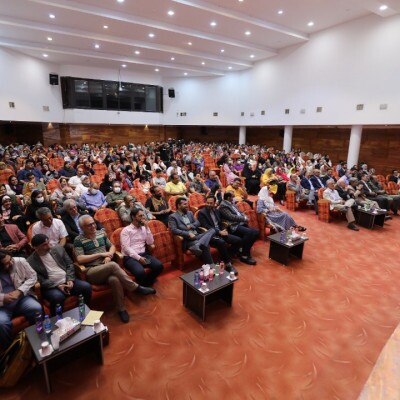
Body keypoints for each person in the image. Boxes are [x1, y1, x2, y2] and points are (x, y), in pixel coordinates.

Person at [74, 215, 155, 323]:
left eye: (93, 223)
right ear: (82, 227)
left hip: (107, 267)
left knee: (114, 280)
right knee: (113, 265)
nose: (93, 226)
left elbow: (112, 247)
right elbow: (80, 259)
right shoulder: (78, 240)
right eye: (89, 225)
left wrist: (109, 255)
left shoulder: (100, 233)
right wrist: (100, 254)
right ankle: (136, 288)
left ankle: (121, 309)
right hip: (92, 271)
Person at [27, 234, 92, 316]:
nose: (49, 246)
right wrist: (57, 285)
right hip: (51, 287)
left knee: (86, 287)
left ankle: (82, 312)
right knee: (58, 297)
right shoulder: (30, 262)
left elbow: (69, 264)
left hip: (67, 280)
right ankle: (57, 319)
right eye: (44, 245)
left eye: (48, 243)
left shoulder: (58, 249)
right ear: (35, 248)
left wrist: (70, 279)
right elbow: (39, 279)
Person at [0, 250, 42, 349]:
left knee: (36, 308)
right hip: (2, 307)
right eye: (6, 263)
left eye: (10, 259)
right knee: (1, 324)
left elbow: (33, 276)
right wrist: (3, 298)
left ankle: (37, 337)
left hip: (21, 299)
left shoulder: (19, 261)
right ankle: (10, 351)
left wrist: (19, 291)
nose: (11, 263)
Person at [198, 196, 240, 275]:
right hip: (210, 234)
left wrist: (224, 230)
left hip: (220, 231)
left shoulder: (216, 211)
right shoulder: (202, 213)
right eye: (207, 203)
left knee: (238, 240)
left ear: (215, 203)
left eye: (211, 203)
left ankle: (227, 257)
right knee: (221, 242)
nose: (209, 204)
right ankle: (228, 264)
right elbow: (207, 226)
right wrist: (219, 232)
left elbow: (220, 223)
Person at [121, 208, 163, 286]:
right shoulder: (126, 230)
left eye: (143, 215)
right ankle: (144, 285)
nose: (143, 217)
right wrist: (139, 258)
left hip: (144, 255)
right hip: (130, 258)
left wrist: (147, 228)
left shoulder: (144, 228)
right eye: (140, 216)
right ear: (133, 217)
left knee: (159, 266)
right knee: (140, 272)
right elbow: (126, 248)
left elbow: (150, 242)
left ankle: (146, 283)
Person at [168, 197, 215, 264]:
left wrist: (191, 226)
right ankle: (211, 266)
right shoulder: (173, 216)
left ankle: (198, 244)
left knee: (213, 230)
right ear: (178, 205)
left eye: (187, 204)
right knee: (205, 245)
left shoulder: (189, 213)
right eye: (184, 204)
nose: (187, 206)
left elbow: (198, 222)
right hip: (188, 240)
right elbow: (174, 230)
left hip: (197, 235)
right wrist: (188, 234)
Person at [218, 191, 258, 265]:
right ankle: (244, 255)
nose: (234, 198)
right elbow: (231, 217)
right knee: (249, 233)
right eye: (233, 196)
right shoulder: (223, 206)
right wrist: (244, 218)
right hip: (233, 226)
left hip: (240, 223)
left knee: (256, 232)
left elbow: (240, 212)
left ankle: (242, 250)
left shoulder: (232, 203)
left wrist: (244, 216)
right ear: (229, 197)